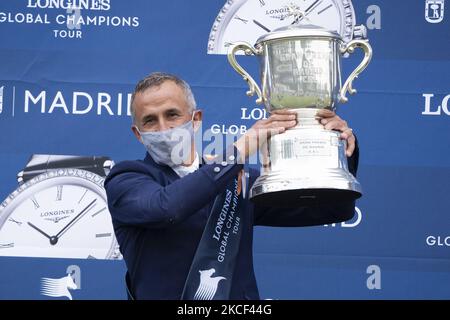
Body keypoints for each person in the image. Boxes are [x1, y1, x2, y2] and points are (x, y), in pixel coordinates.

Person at [104, 72, 358, 300]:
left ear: (195, 119)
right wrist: (238, 153)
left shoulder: (239, 178)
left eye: (172, 114)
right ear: (138, 133)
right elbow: (167, 207)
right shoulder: (126, 178)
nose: (163, 128)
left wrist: (339, 151)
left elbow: (331, 210)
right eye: (150, 120)